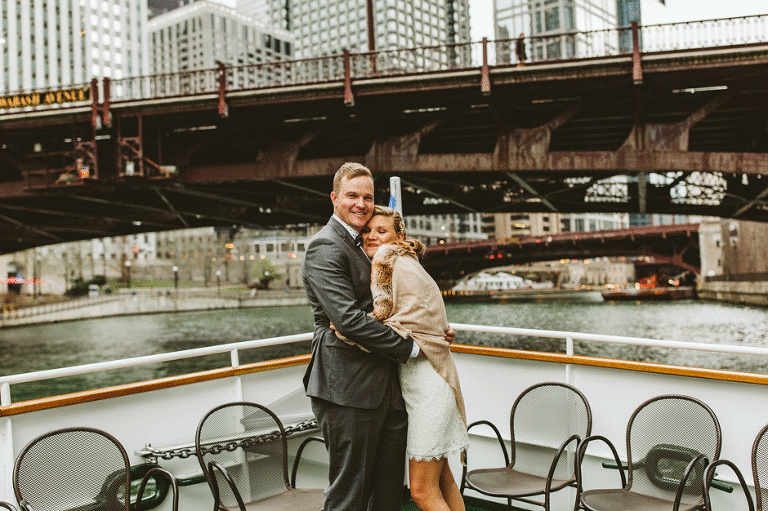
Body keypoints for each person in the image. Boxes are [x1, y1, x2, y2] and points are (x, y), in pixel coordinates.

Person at [302, 162, 453, 511]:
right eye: (352, 195)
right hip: (348, 389)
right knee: (350, 494)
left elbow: (394, 305)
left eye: (367, 197)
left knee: (387, 494)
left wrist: (429, 330)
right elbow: (348, 321)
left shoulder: (368, 245)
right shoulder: (325, 246)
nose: (360, 204)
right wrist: (412, 347)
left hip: (386, 387)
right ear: (335, 198)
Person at [360, 206, 469, 511]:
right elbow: (425, 317)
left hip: (428, 389)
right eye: (367, 231)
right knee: (443, 480)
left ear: (398, 235)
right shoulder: (411, 264)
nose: (372, 236)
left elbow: (386, 316)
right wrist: (439, 334)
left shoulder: (387, 260)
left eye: (381, 230)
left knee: (421, 492)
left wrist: (343, 327)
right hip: (433, 382)